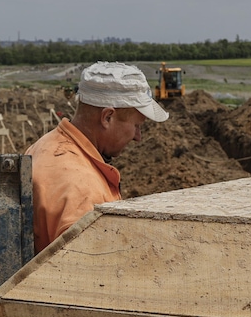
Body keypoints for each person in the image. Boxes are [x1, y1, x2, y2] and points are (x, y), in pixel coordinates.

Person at [26, 61, 169, 253]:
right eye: (136, 125)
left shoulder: (43, 146)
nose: (138, 137)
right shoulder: (84, 192)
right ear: (107, 117)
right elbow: (89, 275)